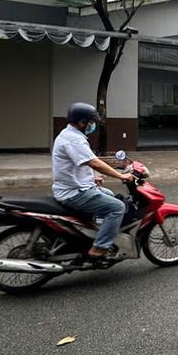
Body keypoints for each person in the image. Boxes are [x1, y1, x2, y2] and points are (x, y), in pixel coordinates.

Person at [52, 102, 134, 258]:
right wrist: (121, 176)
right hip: (74, 193)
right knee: (117, 207)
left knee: (109, 194)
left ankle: (92, 233)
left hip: (74, 186)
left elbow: (77, 163)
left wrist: (92, 178)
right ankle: (99, 248)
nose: (93, 125)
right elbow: (94, 162)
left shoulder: (69, 135)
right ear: (81, 122)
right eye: (91, 122)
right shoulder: (74, 140)